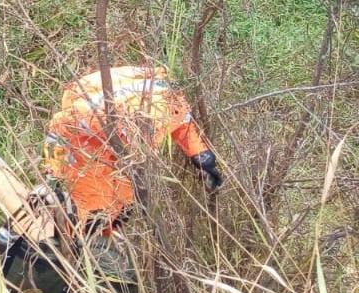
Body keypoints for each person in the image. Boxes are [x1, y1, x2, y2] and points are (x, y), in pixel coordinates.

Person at [42, 65, 223, 232]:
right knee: (88, 213)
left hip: (121, 154)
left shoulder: (168, 103)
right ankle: (76, 245)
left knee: (119, 207)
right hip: (89, 151)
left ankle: (105, 234)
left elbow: (182, 123)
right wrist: (54, 173)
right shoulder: (93, 114)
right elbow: (58, 126)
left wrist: (202, 156)